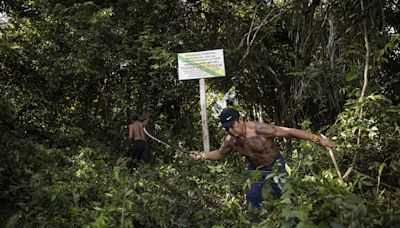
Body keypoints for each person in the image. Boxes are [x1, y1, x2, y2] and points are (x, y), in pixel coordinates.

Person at [189, 107, 334, 210]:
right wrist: (202, 155)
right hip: (255, 169)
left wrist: (317, 139)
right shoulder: (231, 140)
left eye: (233, 126)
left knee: (286, 199)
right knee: (252, 200)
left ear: (241, 120)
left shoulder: (260, 129)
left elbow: (289, 132)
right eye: (227, 128)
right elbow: (221, 154)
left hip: (275, 165)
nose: (231, 131)